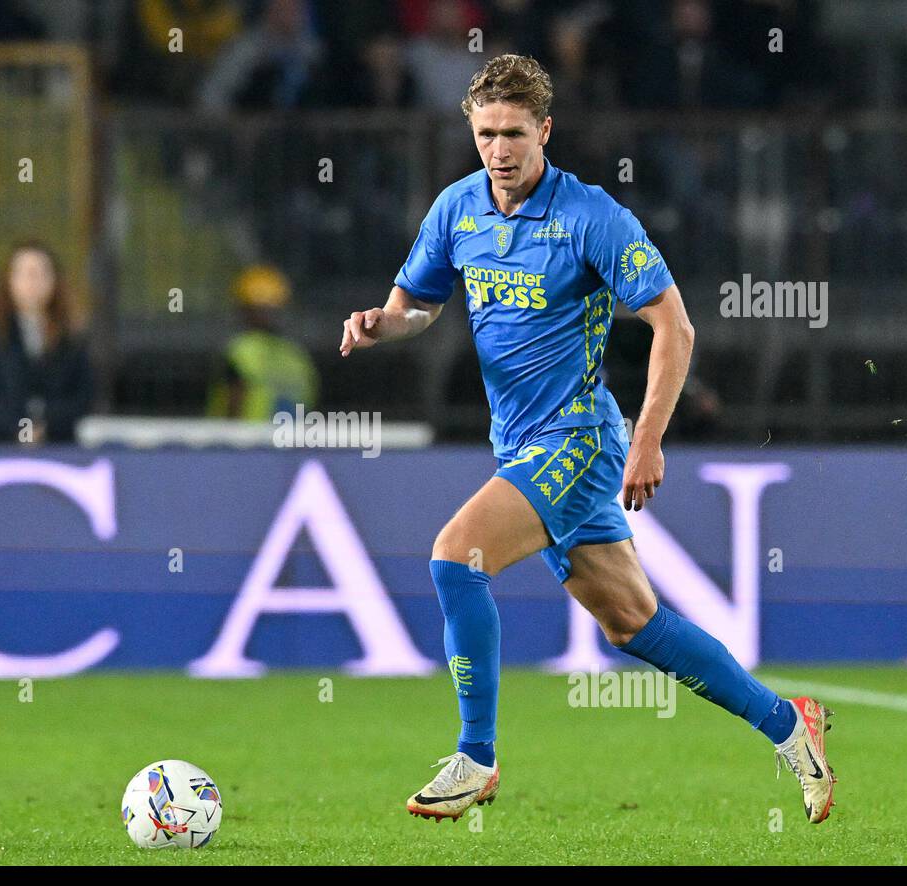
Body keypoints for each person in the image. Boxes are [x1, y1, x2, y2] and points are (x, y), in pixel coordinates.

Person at [340, 55, 835, 825]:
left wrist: (649, 440)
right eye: (484, 135)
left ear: (544, 130)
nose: (498, 150)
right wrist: (382, 324)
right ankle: (789, 725)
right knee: (636, 625)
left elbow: (674, 323)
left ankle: (476, 756)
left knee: (455, 557)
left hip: (579, 437)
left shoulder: (592, 216)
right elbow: (420, 305)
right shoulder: (457, 208)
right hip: (520, 444)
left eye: (512, 133)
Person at [0, 241, 92, 444]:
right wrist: (19, 430)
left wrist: (44, 426)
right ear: (9, 280)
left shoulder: (72, 337)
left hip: (60, 447)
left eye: (41, 273)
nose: (33, 282)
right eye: (25, 273)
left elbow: (83, 396)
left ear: (54, 280)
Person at [208, 265, 318, 421]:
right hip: (290, 440)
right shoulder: (296, 354)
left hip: (245, 441)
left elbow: (234, 400)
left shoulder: (241, 349)